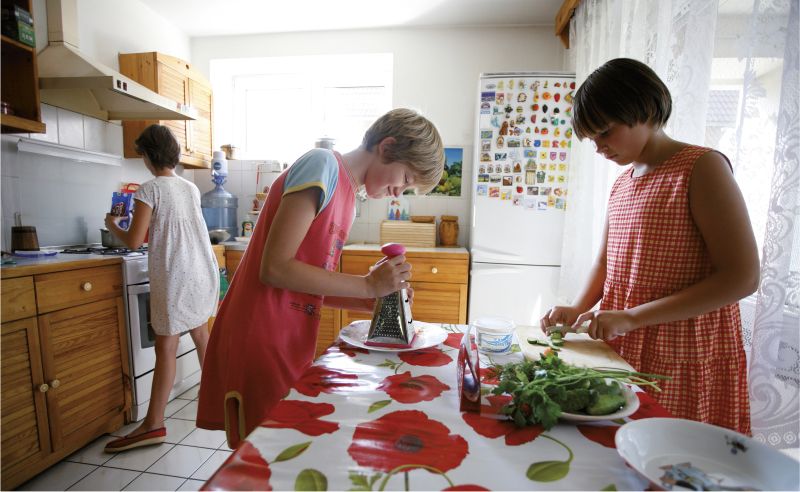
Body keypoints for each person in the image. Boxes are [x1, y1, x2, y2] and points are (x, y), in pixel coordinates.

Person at [197, 108, 445, 447]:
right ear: (386, 148)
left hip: (290, 340)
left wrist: (375, 297)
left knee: (281, 450)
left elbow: (309, 283)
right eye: (405, 179)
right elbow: (275, 268)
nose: (399, 193)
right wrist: (367, 285)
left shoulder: (348, 197)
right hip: (260, 336)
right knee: (262, 455)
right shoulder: (322, 165)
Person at [541, 58, 758, 434]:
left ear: (644, 108)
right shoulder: (623, 183)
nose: (599, 148)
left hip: (683, 351)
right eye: (592, 139)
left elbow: (742, 277)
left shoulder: (701, 167)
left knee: (675, 454)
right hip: (623, 341)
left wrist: (633, 316)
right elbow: (607, 262)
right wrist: (577, 308)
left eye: (605, 133)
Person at [104, 125, 219, 452]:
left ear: (147, 155)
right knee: (200, 334)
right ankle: (213, 394)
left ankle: (153, 424)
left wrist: (113, 224)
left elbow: (135, 239)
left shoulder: (149, 189)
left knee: (165, 347)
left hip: (176, 274)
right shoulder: (188, 188)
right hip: (200, 268)